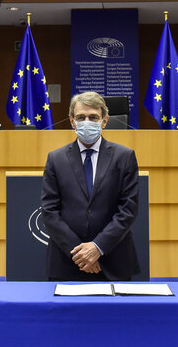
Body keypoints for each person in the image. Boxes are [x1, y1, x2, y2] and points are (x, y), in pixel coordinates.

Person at [41, 92, 140, 281]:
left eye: (93, 117)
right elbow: (49, 211)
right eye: (81, 117)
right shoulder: (56, 159)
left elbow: (128, 209)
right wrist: (81, 254)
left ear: (104, 121)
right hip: (67, 261)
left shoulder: (124, 157)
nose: (87, 122)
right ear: (72, 121)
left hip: (113, 260)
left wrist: (97, 247)